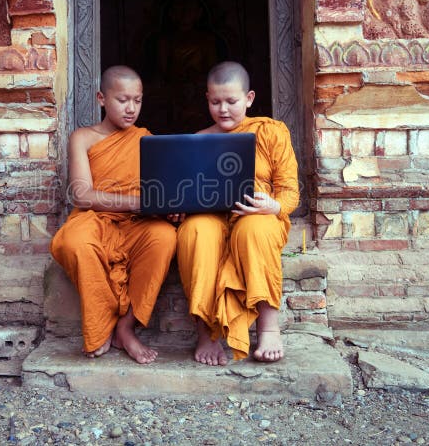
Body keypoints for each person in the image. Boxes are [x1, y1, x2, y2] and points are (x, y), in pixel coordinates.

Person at [50, 66, 177, 364]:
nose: (131, 108)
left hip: (137, 225)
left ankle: (125, 327)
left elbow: (160, 193)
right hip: (95, 219)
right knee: (74, 243)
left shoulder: (146, 139)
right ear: (101, 98)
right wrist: (139, 202)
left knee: (164, 237)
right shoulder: (82, 138)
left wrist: (169, 208)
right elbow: (82, 195)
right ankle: (99, 327)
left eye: (137, 100)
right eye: (122, 100)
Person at [175, 61, 299, 365]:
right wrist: (178, 207)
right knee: (195, 231)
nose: (223, 109)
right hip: (211, 216)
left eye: (231, 101)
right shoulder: (199, 139)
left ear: (249, 98)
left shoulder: (270, 132)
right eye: (216, 102)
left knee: (253, 229)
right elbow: (185, 191)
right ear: (207, 98)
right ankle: (207, 332)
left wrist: (274, 206)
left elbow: (290, 191)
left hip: (257, 215)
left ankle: (268, 327)